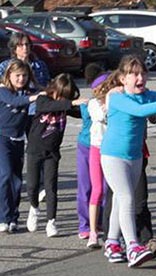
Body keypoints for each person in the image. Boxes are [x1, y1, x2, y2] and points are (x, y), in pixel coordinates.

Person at [100, 55, 156, 268]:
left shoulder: (146, 95)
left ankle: (112, 243)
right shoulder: (118, 98)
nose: (140, 78)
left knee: (122, 201)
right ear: (122, 78)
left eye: (143, 73)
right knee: (127, 197)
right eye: (133, 74)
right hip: (113, 155)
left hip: (135, 155)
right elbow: (141, 111)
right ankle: (133, 246)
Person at [26, 73, 88, 237]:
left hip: (52, 153)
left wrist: (93, 106)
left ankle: (51, 222)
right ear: (55, 90)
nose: (64, 100)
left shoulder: (65, 106)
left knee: (51, 187)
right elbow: (49, 107)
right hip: (34, 150)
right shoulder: (43, 99)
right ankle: (34, 208)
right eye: (62, 96)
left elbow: (78, 111)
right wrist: (70, 103)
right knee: (32, 185)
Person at [0, 59, 41, 233]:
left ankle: (13, 217)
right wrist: (34, 97)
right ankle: (3, 217)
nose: (21, 79)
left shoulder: (28, 92)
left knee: (17, 181)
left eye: (24, 75)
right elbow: (15, 102)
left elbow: (44, 95)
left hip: (18, 140)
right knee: (5, 175)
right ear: (9, 75)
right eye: (17, 76)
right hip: (2, 138)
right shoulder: (3, 90)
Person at [76, 64, 107, 241]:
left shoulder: (113, 100)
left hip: (106, 148)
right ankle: (85, 224)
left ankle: (101, 220)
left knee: (104, 187)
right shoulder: (90, 104)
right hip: (87, 146)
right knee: (86, 187)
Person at [87, 70, 114, 248]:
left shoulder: (117, 101)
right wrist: (109, 105)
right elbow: (100, 117)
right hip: (97, 148)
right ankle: (93, 232)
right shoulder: (93, 104)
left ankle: (111, 229)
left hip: (112, 149)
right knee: (97, 190)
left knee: (112, 189)